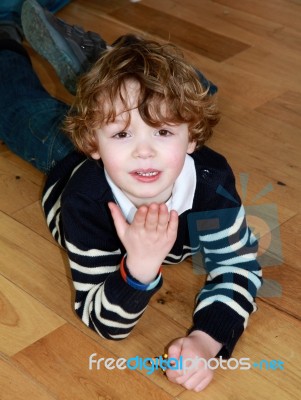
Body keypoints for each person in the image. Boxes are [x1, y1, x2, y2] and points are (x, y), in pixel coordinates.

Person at [0, 0, 262, 393]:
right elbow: (102, 322)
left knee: (146, 97)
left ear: (192, 138)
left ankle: (111, 69)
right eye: (123, 133)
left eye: (162, 131)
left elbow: (240, 267)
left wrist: (208, 340)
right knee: (19, 109)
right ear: (92, 142)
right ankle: (8, 31)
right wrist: (139, 269)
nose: (144, 151)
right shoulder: (85, 200)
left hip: (108, 140)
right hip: (66, 164)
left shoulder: (212, 180)